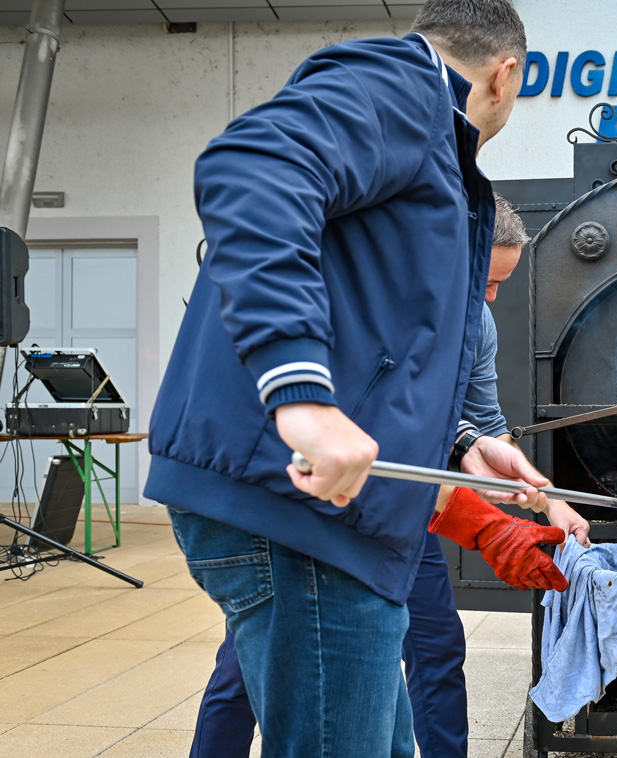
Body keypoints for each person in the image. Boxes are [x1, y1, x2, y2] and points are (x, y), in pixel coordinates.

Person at [145, 3, 538, 756]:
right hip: (300, 518)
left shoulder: (428, 142)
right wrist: (302, 398)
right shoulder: (405, 86)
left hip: (338, 527)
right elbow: (251, 165)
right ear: (505, 73)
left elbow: (374, 335)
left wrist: (460, 445)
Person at [188, 194, 591, 758]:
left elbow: (465, 421)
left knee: (433, 646)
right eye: (486, 279)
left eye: (501, 283)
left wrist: (542, 502)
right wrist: (482, 522)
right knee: (247, 669)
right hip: (304, 509)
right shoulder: (364, 293)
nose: (490, 297)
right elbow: (356, 426)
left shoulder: (474, 322)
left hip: (407, 505)